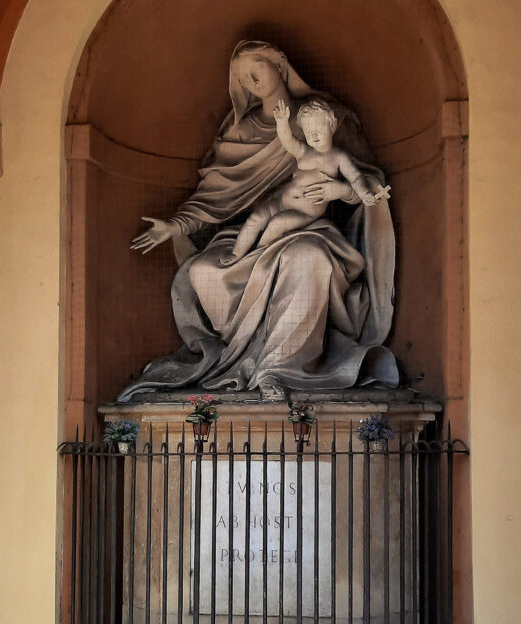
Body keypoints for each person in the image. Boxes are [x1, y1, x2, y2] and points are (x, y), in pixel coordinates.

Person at [122, 40, 399, 401]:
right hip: (251, 232)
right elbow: (216, 195)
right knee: (201, 271)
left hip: (309, 230)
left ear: (280, 64)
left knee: (306, 260)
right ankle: (243, 358)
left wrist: (338, 191)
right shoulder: (239, 131)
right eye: (242, 79)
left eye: (257, 70)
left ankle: (279, 370)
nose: (252, 81)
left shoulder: (326, 118)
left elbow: (366, 183)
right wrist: (177, 226)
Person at [218, 98, 389, 267]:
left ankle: (257, 259)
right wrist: (282, 122)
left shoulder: (338, 157)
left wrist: (364, 193)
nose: (313, 136)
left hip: (305, 212)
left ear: (332, 125)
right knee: (255, 218)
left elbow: (356, 178)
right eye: (308, 131)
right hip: (281, 203)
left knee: (277, 224)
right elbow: (287, 141)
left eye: (318, 130)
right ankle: (237, 253)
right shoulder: (303, 152)